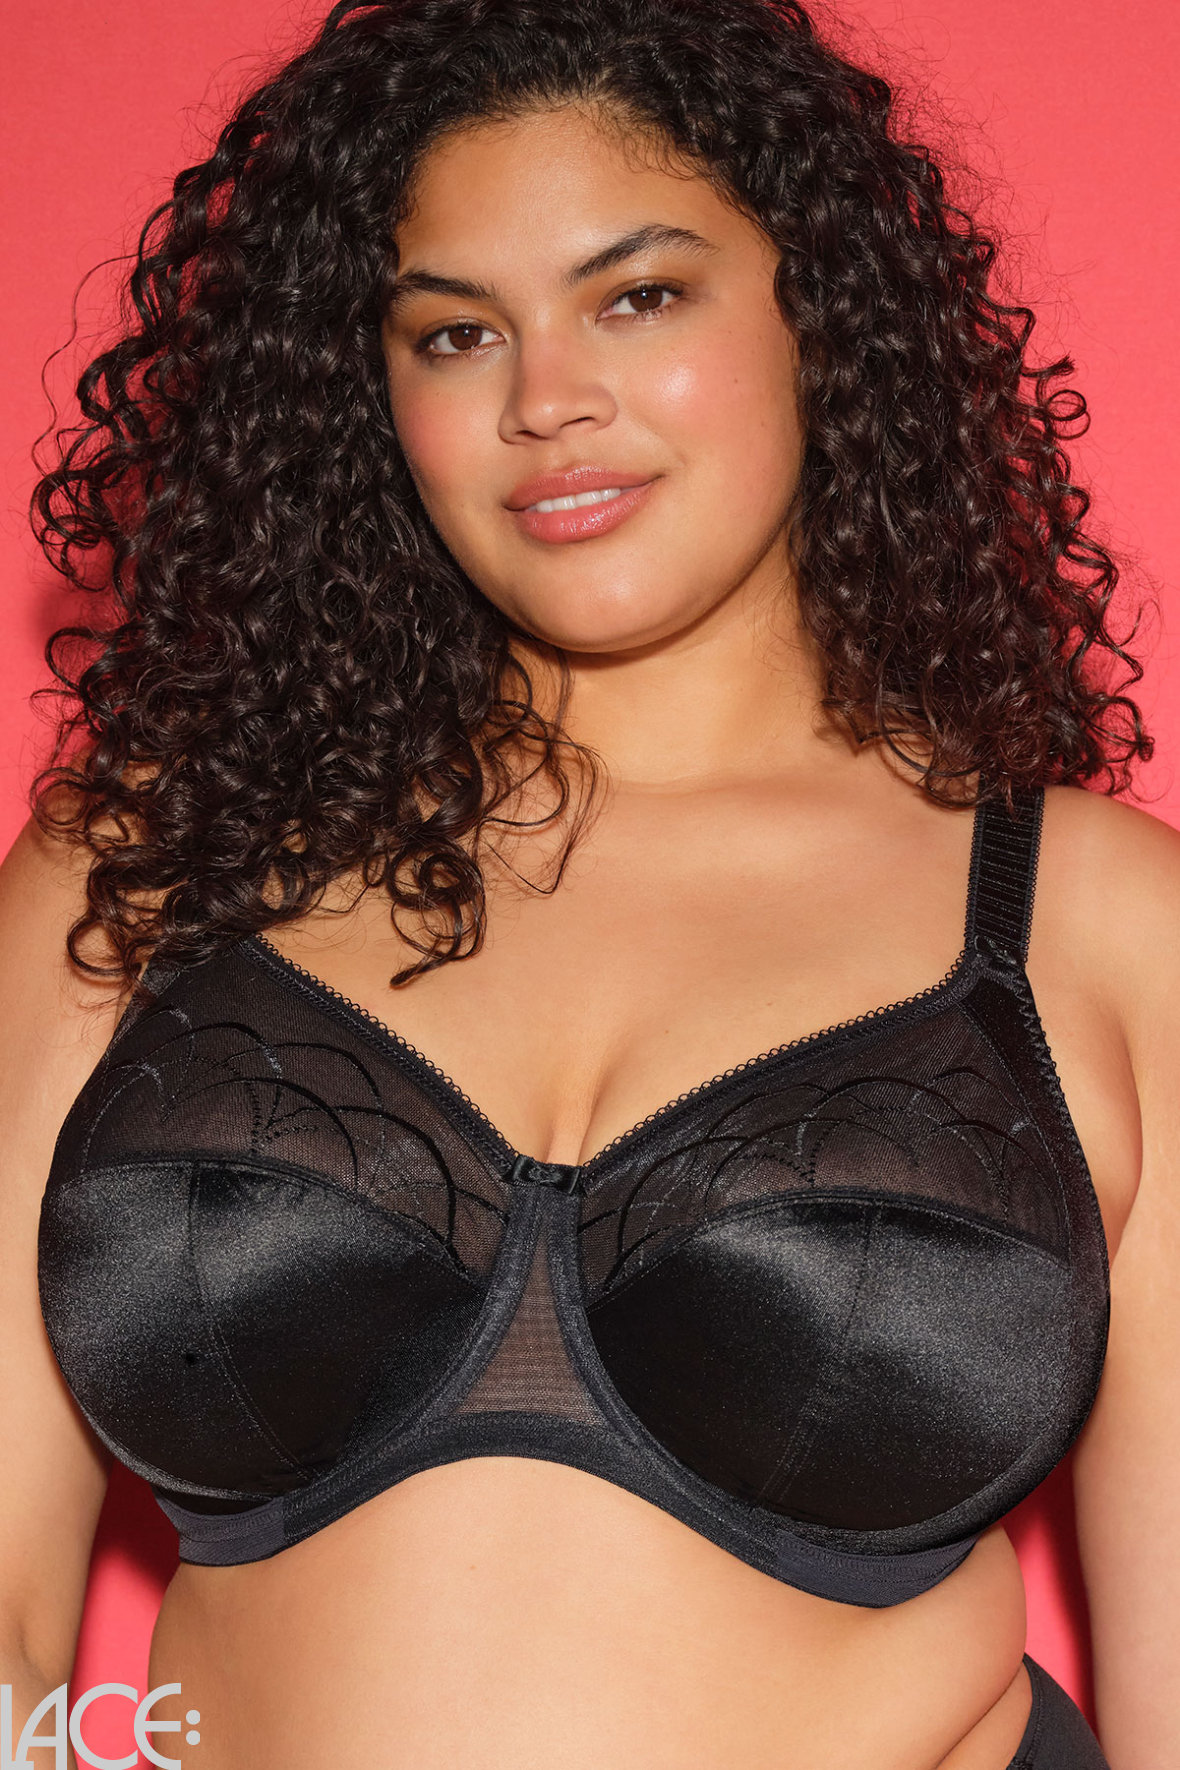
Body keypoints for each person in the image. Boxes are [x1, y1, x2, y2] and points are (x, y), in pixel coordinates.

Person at [1, 0, 1176, 1764]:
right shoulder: (150, 868)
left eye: (639, 296)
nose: (545, 399)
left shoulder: (1095, 925)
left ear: (817, 312)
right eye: (457, 332)